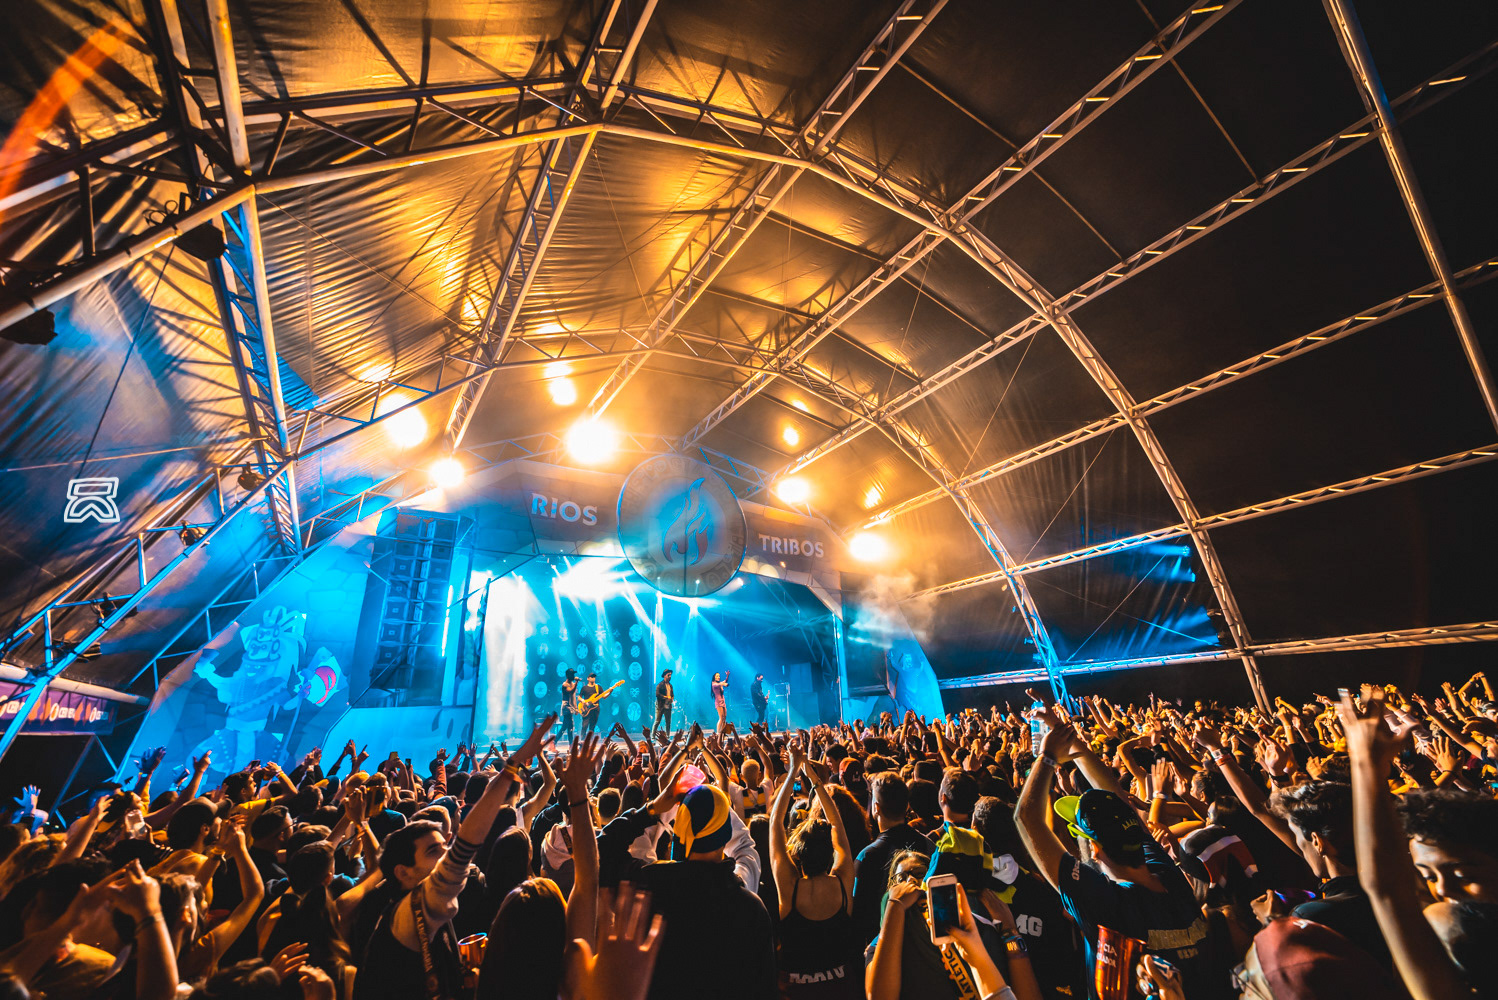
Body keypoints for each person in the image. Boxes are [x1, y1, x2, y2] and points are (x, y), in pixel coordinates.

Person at [1016, 703, 1210, 997]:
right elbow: (1117, 797)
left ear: (1094, 849)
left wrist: (1047, 757)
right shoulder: (1169, 876)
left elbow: (1025, 818)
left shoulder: (1104, 901)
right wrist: (1069, 740)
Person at [769, 742, 860, 997]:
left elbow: (775, 822)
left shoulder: (789, 889)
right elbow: (837, 823)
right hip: (842, 990)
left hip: (796, 993)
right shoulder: (843, 881)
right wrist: (813, 778)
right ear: (831, 853)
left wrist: (792, 772)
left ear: (797, 855)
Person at [852, 773, 933, 946]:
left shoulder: (866, 857)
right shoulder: (929, 847)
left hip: (882, 945)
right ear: (907, 806)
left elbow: (857, 916)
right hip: (923, 942)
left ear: (876, 808)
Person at [579, 672, 603, 739]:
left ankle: (589, 741)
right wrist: (583, 701)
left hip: (595, 709)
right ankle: (582, 741)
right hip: (586, 709)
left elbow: (604, 696)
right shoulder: (584, 688)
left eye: (594, 677)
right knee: (584, 726)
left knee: (592, 727)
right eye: (592, 677)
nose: (593, 678)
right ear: (588, 678)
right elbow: (579, 697)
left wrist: (611, 690)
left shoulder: (598, 687)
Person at [558, 669, 579, 744]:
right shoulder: (565, 685)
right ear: (567, 675)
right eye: (572, 674)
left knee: (564, 727)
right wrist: (576, 682)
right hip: (566, 707)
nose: (573, 676)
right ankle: (571, 745)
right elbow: (571, 692)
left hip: (571, 707)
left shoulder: (572, 684)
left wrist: (576, 708)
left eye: (573, 674)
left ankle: (554, 742)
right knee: (570, 726)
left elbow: (573, 697)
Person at [653, 669, 675, 737]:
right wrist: (666, 697)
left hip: (668, 706)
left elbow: (672, 694)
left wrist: (672, 698)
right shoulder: (660, 685)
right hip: (660, 706)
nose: (670, 676)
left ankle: (667, 735)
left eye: (670, 675)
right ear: (665, 676)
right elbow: (657, 694)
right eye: (668, 675)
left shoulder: (670, 685)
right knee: (657, 721)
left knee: (668, 722)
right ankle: (653, 736)